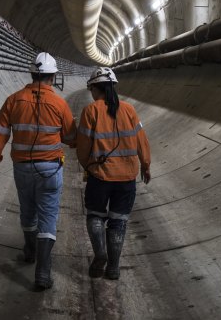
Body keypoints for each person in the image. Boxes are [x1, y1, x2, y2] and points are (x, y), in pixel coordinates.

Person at [0, 52, 76, 291]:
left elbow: (0, 132)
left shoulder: (14, 100)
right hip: (50, 168)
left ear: (31, 73)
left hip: (22, 167)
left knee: (27, 210)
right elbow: (70, 137)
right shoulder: (59, 103)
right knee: (48, 216)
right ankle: (43, 273)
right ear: (53, 76)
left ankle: (29, 250)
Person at [76, 66, 151, 280]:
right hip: (127, 177)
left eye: (92, 89)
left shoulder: (91, 111)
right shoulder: (129, 110)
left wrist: (88, 167)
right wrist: (145, 165)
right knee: (118, 221)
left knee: (95, 215)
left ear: (96, 89)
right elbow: (141, 140)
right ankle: (114, 268)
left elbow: (83, 147)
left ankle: (100, 254)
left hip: (100, 175)